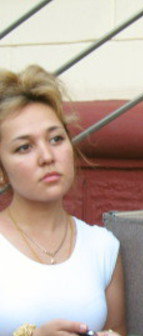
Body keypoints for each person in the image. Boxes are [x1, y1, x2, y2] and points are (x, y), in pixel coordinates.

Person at [0, 65, 126, 336]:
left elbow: (118, 330)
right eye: (24, 147)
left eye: (56, 139)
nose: (47, 156)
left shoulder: (102, 246)